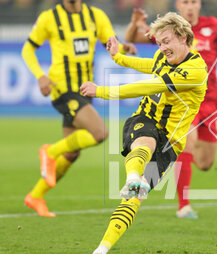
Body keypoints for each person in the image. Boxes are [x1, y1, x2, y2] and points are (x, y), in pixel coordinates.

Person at [125, 0, 217, 218]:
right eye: (185, 2)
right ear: (178, 6)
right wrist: (135, 24)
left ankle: (156, 173)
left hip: (210, 102)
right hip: (182, 102)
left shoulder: (213, 26)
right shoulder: (170, 31)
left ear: (199, 5)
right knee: (186, 144)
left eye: (193, 2)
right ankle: (183, 205)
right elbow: (132, 39)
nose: (190, 6)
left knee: (206, 163)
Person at [80, 12, 207, 254]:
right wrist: (119, 58)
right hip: (144, 120)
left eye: (167, 41)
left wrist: (102, 91)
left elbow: (152, 84)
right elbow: (148, 65)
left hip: (170, 143)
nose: (162, 48)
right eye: (159, 43)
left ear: (183, 38)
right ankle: (131, 179)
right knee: (145, 143)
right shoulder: (163, 56)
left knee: (133, 201)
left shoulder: (196, 70)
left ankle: (102, 249)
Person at [22, 0, 136, 217]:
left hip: (85, 90)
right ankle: (50, 151)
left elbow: (110, 43)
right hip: (62, 88)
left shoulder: (96, 16)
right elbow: (28, 49)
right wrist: (40, 75)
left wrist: (122, 47)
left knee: (72, 153)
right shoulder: (49, 18)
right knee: (100, 133)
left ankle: (35, 196)